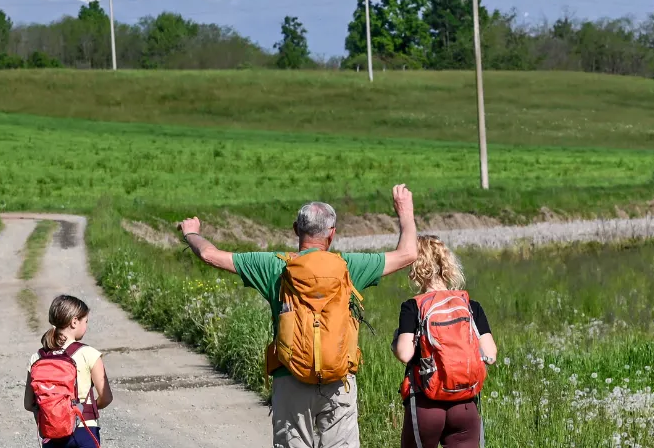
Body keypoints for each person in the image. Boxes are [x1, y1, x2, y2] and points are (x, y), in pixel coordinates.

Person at [180, 184, 420, 448]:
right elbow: (408, 253)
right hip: (338, 381)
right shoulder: (349, 266)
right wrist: (405, 211)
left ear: (296, 229)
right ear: (332, 234)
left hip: (289, 378)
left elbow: (209, 254)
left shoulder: (274, 266)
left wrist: (191, 233)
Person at [392, 236, 497, 448]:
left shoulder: (413, 306)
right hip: (465, 404)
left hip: (426, 403)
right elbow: (490, 355)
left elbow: (404, 353)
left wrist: (395, 341)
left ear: (416, 268)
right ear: (447, 264)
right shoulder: (470, 305)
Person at [24, 295, 114, 448]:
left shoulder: (37, 357)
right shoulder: (89, 353)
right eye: (86, 321)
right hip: (84, 430)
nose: (86, 326)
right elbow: (106, 397)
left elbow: (28, 404)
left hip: (51, 432)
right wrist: (86, 408)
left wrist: (55, 411)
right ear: (74, 322)